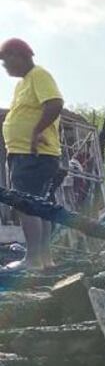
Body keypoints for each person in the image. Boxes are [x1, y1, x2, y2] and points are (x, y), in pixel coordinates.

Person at [1, 38, 63, 270]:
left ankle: (33, 259)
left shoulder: (39, 75)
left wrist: (36, 131)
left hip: (34, 154)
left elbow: (55, 103)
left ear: (18, 55)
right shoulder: (23, 83)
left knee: (26, 204)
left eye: (5, 61)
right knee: (39, 204)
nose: (4, 67)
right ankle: (44, 259)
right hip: (25, 154)